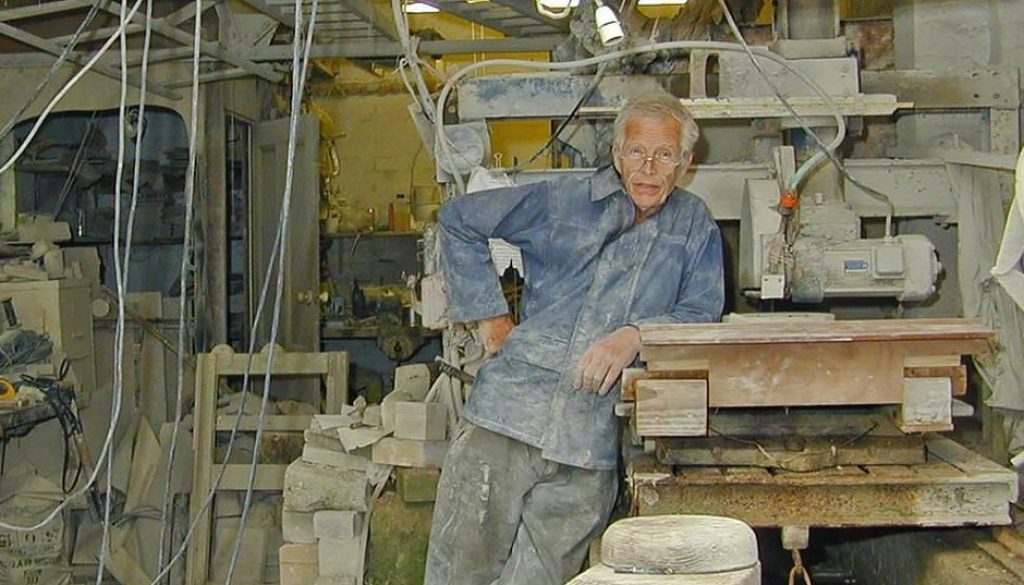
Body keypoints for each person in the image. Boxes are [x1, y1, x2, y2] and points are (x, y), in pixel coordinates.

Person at [425, 95, 725, 585]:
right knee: (460, 573)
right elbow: (459, 221)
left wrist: (634, 336)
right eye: (636, 152)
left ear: (685, 162)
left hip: (591, 441)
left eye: (665, 154)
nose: (648, 167)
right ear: (615, 154)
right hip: (507, 420)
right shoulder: (564, 202)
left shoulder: (693, 226)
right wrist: (491, 317)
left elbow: (700, 314)